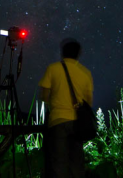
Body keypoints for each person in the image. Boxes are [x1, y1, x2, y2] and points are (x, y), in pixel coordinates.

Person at [38, 37, 93, 178]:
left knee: (58, 164)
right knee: (77, 164)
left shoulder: (53, 69)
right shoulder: (85, 73)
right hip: (78, 123)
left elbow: (44, 96)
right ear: (78, 54)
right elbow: (88, 102)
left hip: (57, 121)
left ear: (62, 53)